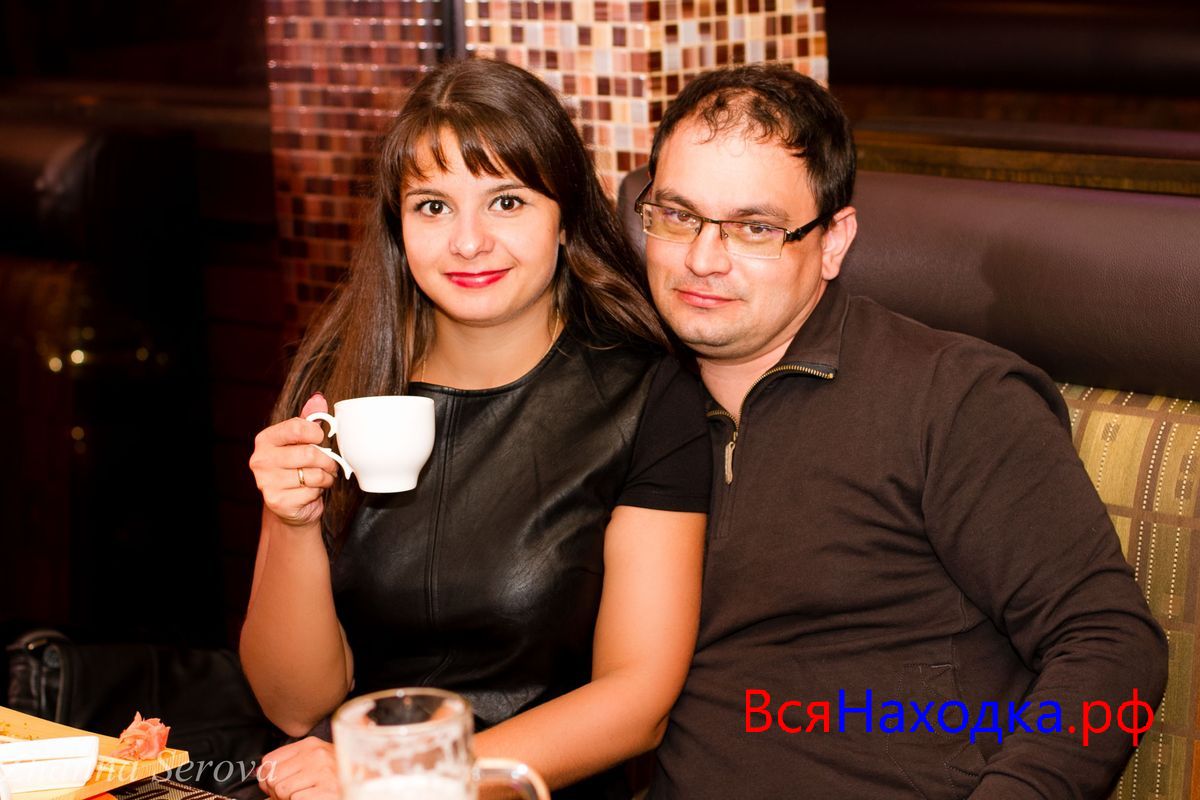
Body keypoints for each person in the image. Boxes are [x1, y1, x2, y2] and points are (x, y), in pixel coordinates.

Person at [637, 63, 1168, 799]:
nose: (702, 258)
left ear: (833, 241)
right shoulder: (625, 397)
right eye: (678, 215)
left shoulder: (954, 398)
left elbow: (1113, 650)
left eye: (755, 228)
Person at [241, 58, 709, 800]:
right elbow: (293, 706)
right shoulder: (342, 380)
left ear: (565, 219)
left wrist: (401, 777)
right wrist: (289, 521)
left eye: (507, 202)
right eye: (433, 206)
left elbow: (637, 700)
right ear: (398, 226)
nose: (467, 242)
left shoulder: (648, 397)